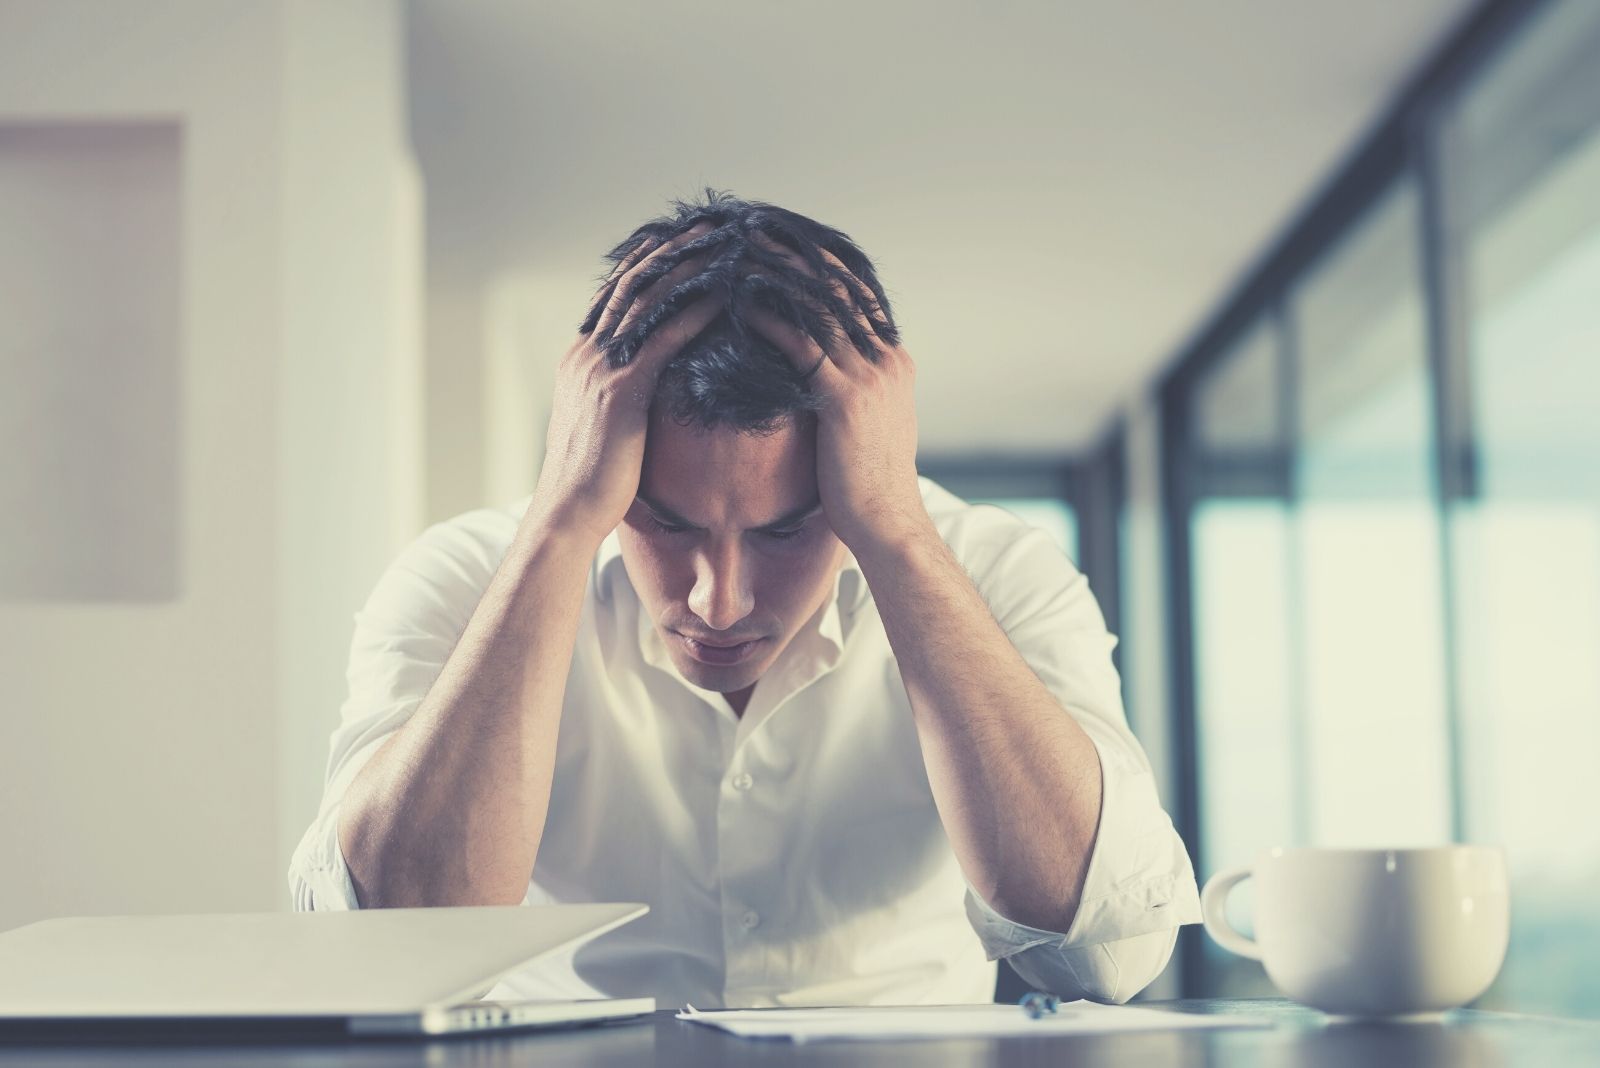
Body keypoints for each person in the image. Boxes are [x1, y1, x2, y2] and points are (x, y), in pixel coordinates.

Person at [288, 189, 1201, 1008]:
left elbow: (1107, 957)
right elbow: (381, 948)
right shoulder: (461, 579)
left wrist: (896, 532)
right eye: (665, 523)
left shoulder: (997, 574)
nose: (717, 604)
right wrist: (563, 522)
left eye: (784, 530)